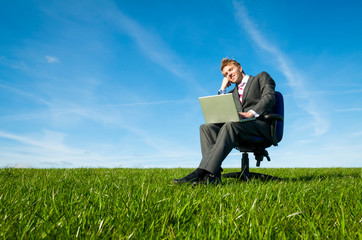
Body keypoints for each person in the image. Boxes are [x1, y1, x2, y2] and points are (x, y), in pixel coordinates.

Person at [173, 58, 276, 185]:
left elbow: (269, 97)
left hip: (259, 126)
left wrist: (251, 113)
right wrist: (222, 89)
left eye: (231, 70)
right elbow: (221, 112)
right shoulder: (231, 93)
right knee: (206, 127)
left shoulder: (261, 77)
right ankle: (213, 177)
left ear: (240, 68)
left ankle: (201, 172)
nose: (229, 74)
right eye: (226, 74)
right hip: (237, 127)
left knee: (230, 125)